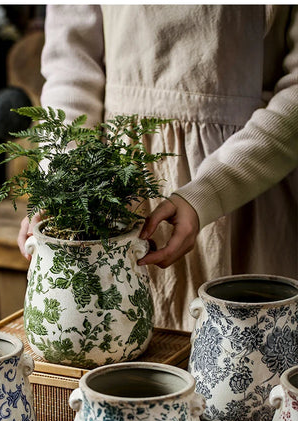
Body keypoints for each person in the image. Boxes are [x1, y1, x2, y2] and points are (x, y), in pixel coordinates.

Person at [18, 4, 298, 331]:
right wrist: (64, 180)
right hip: (118, 195)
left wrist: (211, 192)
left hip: (247, 192)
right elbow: (71, 67)